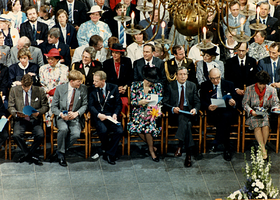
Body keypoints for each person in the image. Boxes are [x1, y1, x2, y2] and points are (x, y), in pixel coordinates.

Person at [163, 67, 200, 167]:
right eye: (180, 74)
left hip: (189, 112)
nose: (183, 76)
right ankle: (188, 154)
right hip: (176, 114)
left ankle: (179, 145)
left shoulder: (192, 85)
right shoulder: (170, 86)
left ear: (187, 75)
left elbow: (197, 101)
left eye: (185, 74)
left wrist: (195, 109)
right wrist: (172, 108)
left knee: (186, 121)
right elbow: (164, 102)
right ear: (176, 75)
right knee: (187, 124)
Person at [8, 74, 49, 165]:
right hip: (20, 119)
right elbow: (10, 106)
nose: (26, 89)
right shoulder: (14, 90)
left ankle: (28, 154)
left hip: (34, 119)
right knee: (16, 135)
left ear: (32, 84)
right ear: (21, 83)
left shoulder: (39, 91)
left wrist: (38, 112)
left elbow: (45, 106)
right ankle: (29, 154)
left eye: (28, 87)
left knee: (40, 135)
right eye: (24, 87)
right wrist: (16, 114)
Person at [51, 70, 87, 167]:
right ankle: (61, 155)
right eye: (78, 81)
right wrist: (61, 114)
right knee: (63, 129)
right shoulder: (59, 89)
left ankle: (60, 151)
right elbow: (53, 107)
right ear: (71, 81)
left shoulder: (83, 89)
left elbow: (85, 105)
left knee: (76, 134)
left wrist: (77, 113)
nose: (80, 83)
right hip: (62, 117)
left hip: (74, 117)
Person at [200, 68, 238, 161]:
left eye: (217, 78)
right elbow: (201, 101)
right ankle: (227, 148)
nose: (216, 80)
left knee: (226, 117)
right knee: (224, 120)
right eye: (213, 78)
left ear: (221, 76)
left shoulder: (229, 84)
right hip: (213, 112)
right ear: (209, 77)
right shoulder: (204, 85)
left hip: (227, 111)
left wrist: (233, 102)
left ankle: (217, 140)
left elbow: (236, 100)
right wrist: (208, 106)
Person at [242, 70, 280, 159]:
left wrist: (275, 108)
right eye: (260, 84)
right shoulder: (249, 89)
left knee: (265, 125)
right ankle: (263, 151)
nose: (262, 86)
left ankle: (261, 149)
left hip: (264, 114)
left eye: (264, 84)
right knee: (257, 126)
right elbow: (244, 104)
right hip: (253, 114)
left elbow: (276, 103)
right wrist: (252, 112)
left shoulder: (272, 90)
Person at [88, 70, 123, 165]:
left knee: (119, 130)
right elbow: (90, 106)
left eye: (96, 81)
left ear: (103, 81)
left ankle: (108, 152)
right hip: (99, 115)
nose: (93, 83)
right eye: (93, 80)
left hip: (111, 116)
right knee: (103, 130)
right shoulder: (92, 89)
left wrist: (115, 113)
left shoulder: (113, 88)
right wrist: (98, 115)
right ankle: (110, 153)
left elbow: (118, 104)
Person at [128, 67, 162, 161]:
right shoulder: (135, 85)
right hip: (138, 111)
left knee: (148, 126)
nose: (149, 83)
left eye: (151, 81)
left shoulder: (157, 86)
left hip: (152, 112)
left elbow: (159, 101)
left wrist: (154, 108)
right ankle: (152, 147)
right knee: (136, 126)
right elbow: (132, 101)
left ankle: (151, 151)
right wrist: (140, 102)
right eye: (148, 81)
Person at [39, 48, 69, 126]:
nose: (50, 61)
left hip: (60, 95)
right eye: (48, 59)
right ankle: (48, 126)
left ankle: (60, 124)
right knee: (47, 101)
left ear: (57, 59)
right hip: (47, 94)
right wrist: (48, 91)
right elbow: (42, 84)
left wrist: (55, 92)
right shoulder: (43, 69)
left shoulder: (64, 69)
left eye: (52, 59)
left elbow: (64, 84)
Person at [225, 42, 258, 108]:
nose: (241, 53)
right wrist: (236, 89)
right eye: (239, 50)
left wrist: (247, 90)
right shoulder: (230, 62)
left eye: (243, 51)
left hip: (249, 93)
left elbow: (254, 78)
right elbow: (228, 79)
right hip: (235, 94)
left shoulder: (252, 61)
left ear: (247, 50)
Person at [103, 43, 133, 114]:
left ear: (120, 53)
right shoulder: (106, 63)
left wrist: (125, 87)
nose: (114, 55)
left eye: (116, 53)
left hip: (124, 91)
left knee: (125, 103)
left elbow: (130, 77)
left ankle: (125, 123)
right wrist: (116, 89)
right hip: (111, 91)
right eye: (113, 52)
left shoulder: (127, 61)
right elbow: (106, 81)